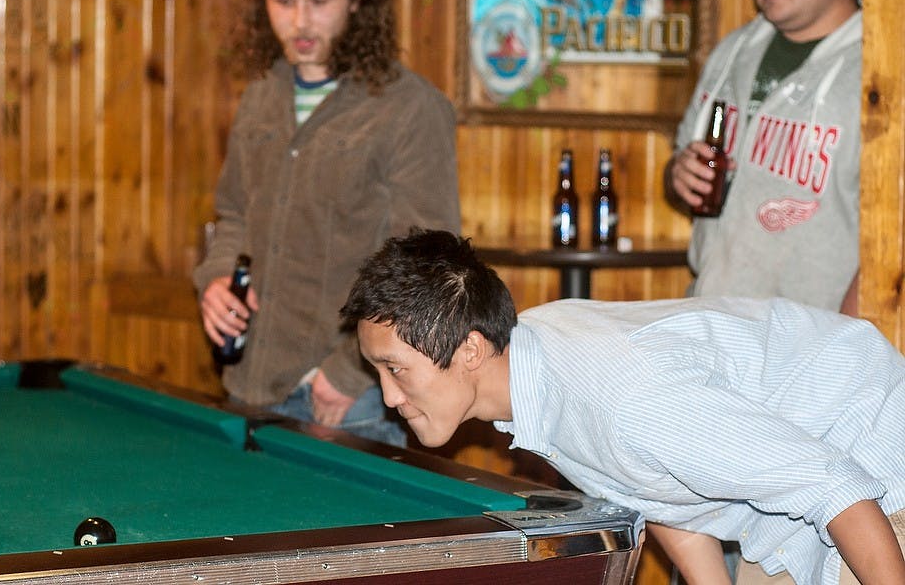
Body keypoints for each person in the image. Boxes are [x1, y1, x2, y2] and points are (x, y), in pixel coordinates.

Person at [340, 229, 905, 585]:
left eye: (395, 369)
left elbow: (837, 489)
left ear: (469, 350)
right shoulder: (531, 371)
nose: (388, 397)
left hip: (871, 458)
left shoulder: (624, 401)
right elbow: (658, 489)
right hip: (798, 490)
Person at [193, 0, 461, 446]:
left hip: (352, 398)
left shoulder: (410, 108)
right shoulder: (261, 96)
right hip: (250, 381)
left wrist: (349, 371)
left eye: (319, 1)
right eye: (283, 1)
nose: (299, 22)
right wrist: (217, 279)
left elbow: (427, 267)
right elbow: (234, 216)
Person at [665, 0, 862, 314]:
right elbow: (678, 178)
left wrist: (853, 336)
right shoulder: (733, 52)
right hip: (710, 314)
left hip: (815, 332)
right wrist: (678, 175)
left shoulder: (879, 73)